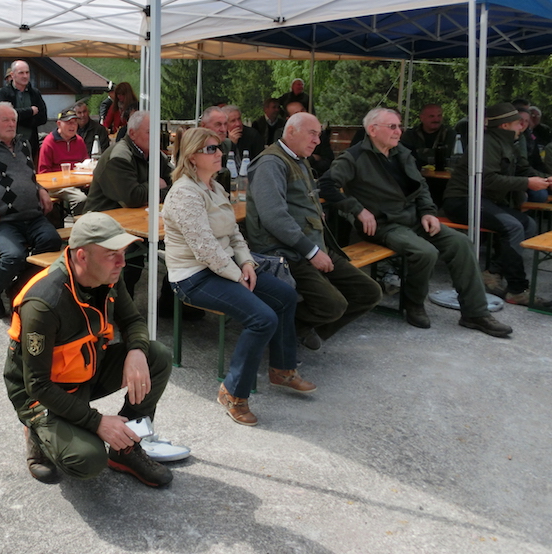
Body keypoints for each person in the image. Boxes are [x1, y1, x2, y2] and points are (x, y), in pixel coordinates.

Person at [3, 212, 175, 487]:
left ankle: (126, 449)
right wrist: (98, 423)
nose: (122, 262)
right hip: (43, 392)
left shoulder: (108, 275)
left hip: (86, 370)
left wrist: (137, 351)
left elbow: (133, 321)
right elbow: (37, 385)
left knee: (157, 357)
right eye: (111, 254)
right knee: (88, 460)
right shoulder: (43, 303)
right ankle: (37, 432)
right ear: (82, 256)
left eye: (123, 253)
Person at [163, 127, 315, 426]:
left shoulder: (215, 187)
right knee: (262, 318)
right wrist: (238, 275)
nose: (219, 153)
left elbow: (234, 233)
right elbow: (204, 248)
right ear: (192, 157)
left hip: (224, 267)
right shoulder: (184, 193)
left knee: (285, 295)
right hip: (193, 277)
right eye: (211, 149)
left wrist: (246, 263)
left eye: (220, 147)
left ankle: (282, 369)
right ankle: (233, 393)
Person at [319, 107, 513, 338]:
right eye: (392, 127)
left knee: (461, 243)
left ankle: (475, 313)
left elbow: (420, 186)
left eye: (400, 126)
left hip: (414, 218)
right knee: (425, 252)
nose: (398, 131)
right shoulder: (354, 156)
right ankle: (414, 303)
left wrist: (429, 212)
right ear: (372, 130)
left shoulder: (401, 152)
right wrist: (358, 210)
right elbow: (326, 186)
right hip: (384, 224)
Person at [246, 112, 381, 351]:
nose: (317, 141)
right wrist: (312, 252)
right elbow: (274, 218)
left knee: (369, 292)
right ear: (291, 131)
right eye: (312, 134)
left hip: (311, 245)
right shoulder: (270, 163)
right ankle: (282, 328)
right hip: (283, 253)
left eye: (319, 135)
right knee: (333, 305)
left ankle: (299, 329)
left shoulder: (298, 158)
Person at [443, 102, 552, 308]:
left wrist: (546, 179)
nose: (522, 126)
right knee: (513, 227)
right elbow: (488, 180)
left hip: (485, 201)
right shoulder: (486, 143)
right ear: (504, 125)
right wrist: (527, 183)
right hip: (462, 200)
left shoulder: (508, 143)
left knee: (528, 225)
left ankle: (493, 272)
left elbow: (524, 169)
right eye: (517, 122)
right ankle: (517, 290)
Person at [0, 102, 62, 317]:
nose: (11, 124)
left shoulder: (23, 144)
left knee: (52, 243)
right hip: (2, 222)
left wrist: (41, 189)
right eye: (5, 120)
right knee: (14, 256)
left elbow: (28, 177)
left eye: (13, 120)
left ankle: (18, 286)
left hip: (33, 217)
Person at [85, 110, 173, 296]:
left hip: (137, 219)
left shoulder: (156, 155)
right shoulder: (119, 156)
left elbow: (175, 184)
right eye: (149, 132)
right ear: (132, 133)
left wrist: (151, 192)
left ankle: (167, 302)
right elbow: (132, 197)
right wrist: (155, 184)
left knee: (177, 247)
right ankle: (117, 301)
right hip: (103, 221)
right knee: (130, 256)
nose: (156, 137)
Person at [37, 108, 89, 216]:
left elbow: (86, 164)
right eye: (69, 123)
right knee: (81, 199)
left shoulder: (79, 141)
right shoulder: (49, 142)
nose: (72, 126)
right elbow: (43, 173)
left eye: (75, 122)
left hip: (79, 182)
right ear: (59, 124)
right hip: (57, 185)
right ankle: (80, 224)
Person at [0, 60, 47, 162]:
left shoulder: (35, 93)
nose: (25, 76)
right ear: (12, 75)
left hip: (31, 144)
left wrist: (18, 117)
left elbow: (43, 118)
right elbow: (4, 116)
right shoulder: (3, 93)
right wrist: (30, 111)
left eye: (27, 72)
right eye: (21, 73)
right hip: (8, 144)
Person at [400, 103, 456, 169]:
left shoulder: (450, 134)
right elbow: (404, 156)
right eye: (431, 116)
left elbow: (451, 157)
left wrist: (421, 153)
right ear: (421, 118)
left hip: (443, 174)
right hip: (415, 173)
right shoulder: (410, 134)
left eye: (439, 116)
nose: (436, 120)